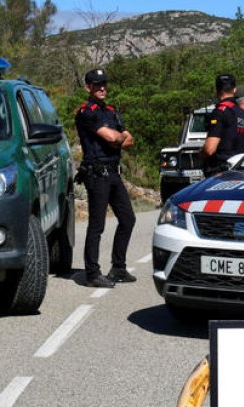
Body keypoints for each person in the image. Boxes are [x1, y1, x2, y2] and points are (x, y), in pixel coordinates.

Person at [74, 68, 137, 287]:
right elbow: (113, 136)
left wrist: (115, 139)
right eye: (96, 84)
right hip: (97, 174)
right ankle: (92, 273)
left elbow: (129, 139)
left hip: (113, 172)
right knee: (97, 225)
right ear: (88, 87)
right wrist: (116, 138)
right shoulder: (86, 112)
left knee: (128, 218)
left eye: (104, 84)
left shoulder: (110, 111)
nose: (102, 88)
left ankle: (118, 267)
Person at [201, 73, 244, 176]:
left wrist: (200, 154)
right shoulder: (242, 113)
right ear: (234, 89)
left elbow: (210, 149)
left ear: (217, 90)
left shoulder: (220, 111)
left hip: (220, 172)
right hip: (239, 170)